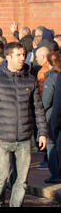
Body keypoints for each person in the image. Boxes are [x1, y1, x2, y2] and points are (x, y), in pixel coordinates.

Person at [0, 42, 48, 207]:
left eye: (23, 54)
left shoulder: (30, 80)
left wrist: (43, 133)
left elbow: (38, 109)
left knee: (21, 180)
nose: (22, 58)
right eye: (18, 55)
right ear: (8, 57)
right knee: (1, 177)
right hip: (2, 138)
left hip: (24, 139)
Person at [42, 51, 61, 184]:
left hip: (52, 116)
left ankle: (55, 174)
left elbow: (47, 101)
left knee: (51, 145)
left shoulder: (52, 78)